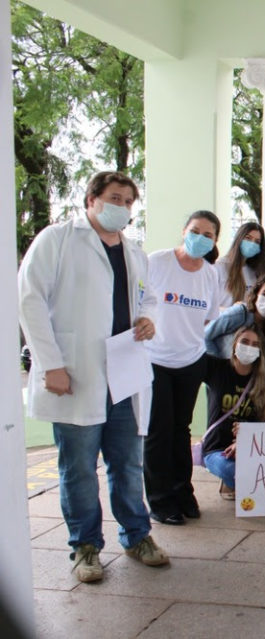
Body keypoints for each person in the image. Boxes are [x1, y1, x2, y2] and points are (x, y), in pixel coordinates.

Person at [18, 171, 169, 582]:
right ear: (91, 200)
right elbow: (30, 298)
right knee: (79, 469)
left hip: (125, 373)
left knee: (128, 465)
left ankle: (137, 535)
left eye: (128, 202)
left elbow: (149, 296)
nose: (121, 207)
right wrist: (50, 363)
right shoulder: (59, 239)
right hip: (75, 373)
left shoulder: (135, 252)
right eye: (114, 198)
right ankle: (85, 547)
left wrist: (148, 318)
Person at [144, 210, 222, 525]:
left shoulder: (210, 273)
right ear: (184, 230)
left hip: (191, 360)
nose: (200, 238)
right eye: (195, 231)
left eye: (209, 235)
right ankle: (161, 502)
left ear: (216, 240)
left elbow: (208, 316)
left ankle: (183, 494)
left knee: (181, 430)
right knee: (158, 432)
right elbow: (139, 301)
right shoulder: (157, 262)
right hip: (155, 360)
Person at [201, 326, 265, 500]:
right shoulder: (216, 368)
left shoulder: (263, 380)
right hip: (217, 449)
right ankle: (232, 482)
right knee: (236, 473)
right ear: (234, 345)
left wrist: (242, 443)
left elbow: (264, 422)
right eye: (245, 342)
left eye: (255, 344)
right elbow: (201, 340)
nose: (250, 347)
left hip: (249, 449)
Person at [203, 273, 265, 372]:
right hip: (224, 374)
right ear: (256, 294)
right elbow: (205, 336)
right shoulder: (239, 314)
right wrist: (218, 366)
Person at [215, 221, 265, 307]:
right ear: (239, 238)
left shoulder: (255, 272)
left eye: (257, 242)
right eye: (248, 238)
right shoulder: (219, 266)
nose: (252, 244)